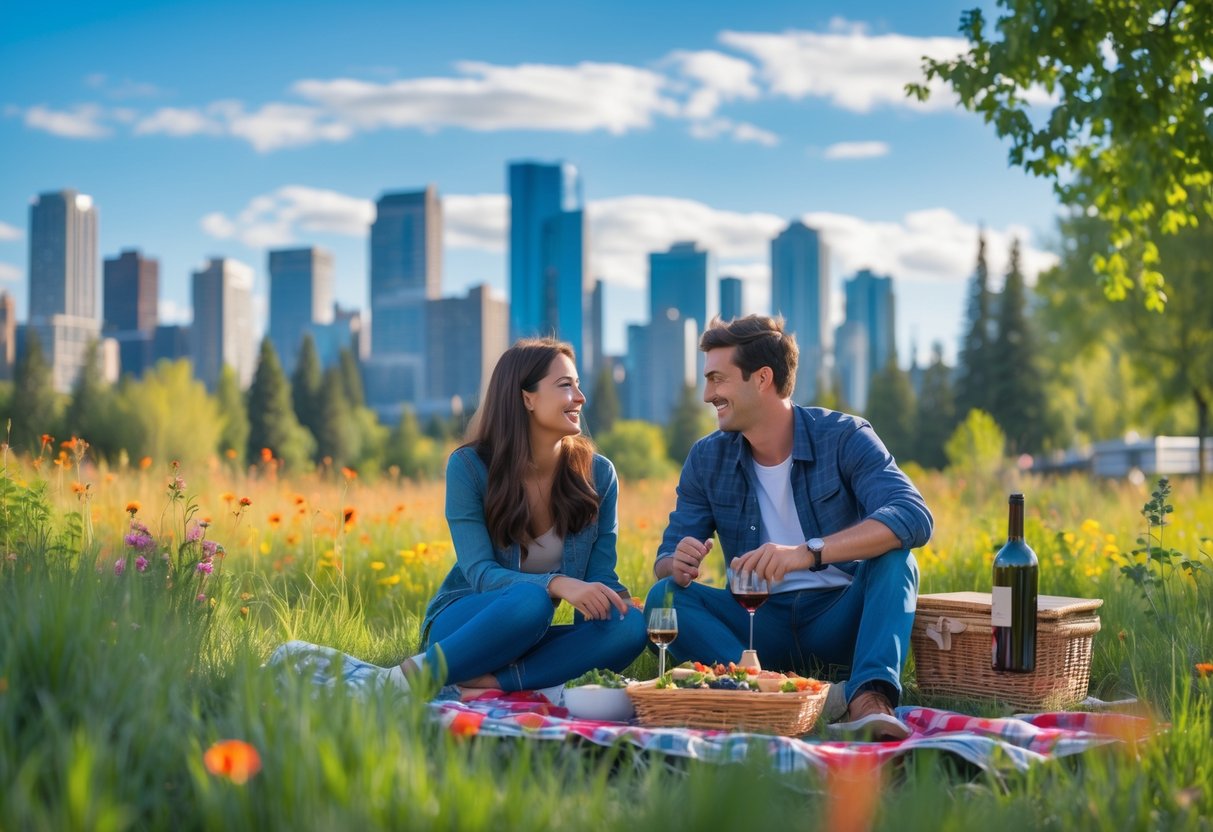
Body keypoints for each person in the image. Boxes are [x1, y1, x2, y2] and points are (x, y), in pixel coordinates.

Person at [643, 315, 933, 739]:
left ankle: (868, 699)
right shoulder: (707, 458)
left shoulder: (845, 436)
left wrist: (806, 553)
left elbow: (912, 515)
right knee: (663, 597)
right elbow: (665, 561)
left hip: (838, 616)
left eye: (718, 380)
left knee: (896, 561)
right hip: (755, 625)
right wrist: (678, 563)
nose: (708, 395)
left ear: (762, 378)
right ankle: (769, 692)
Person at [393, 338, 646, 695]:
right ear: (527, 397)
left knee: (631, 625)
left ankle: (494, 684)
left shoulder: (599, 475)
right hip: (470, 625)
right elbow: (481, 573)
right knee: (532, 600)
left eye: (578, 385)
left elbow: (600, 576)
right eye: (565, 386)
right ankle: (410, 677)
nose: (580, 397)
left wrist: (622, 603)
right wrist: (555, 584)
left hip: (532, 633)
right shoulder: (469, 467)